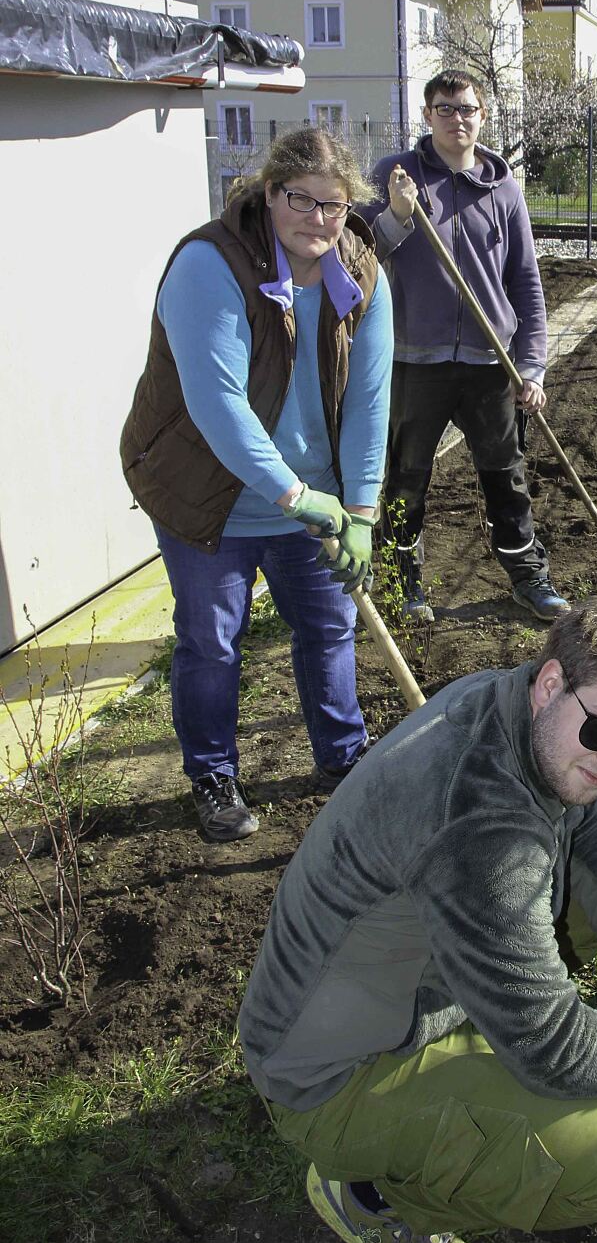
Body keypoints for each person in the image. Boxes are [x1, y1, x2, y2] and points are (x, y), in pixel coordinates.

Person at [238, 594, 597, 1243]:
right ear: (553, 683)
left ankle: (450, 1073)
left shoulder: (513, 706)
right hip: (330, 1076)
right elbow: (552, 1047)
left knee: (576, 891)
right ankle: (371, 1195)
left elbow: (584, 825)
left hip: (392, 991)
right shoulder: (481, 829)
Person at [121, 126, 393, 842]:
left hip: (317, 494)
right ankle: (212, 775)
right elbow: (218, 406)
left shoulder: (361, 274)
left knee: (329, 627)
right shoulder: (210, 266)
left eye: (334, 206)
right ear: (271, 194)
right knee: (212, 640)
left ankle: (344, 759)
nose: (319, 220)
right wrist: (297, 497)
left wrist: (360, 509)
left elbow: (369, 402)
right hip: (208, 490)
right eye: (301, 200)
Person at [362, 68, 568, 622]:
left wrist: (532, 366)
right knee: (406, 476)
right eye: (446, 108)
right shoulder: (394, 176)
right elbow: (355, 260)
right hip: (414, 359)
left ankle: (528, 574)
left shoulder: (503, 189)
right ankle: (405, 583)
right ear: (427, 116)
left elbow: (525, 280)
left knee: (506, 474)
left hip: (489, 363)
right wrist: (398, 216)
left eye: (468, 109)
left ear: (483, 116)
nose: (458, 119)